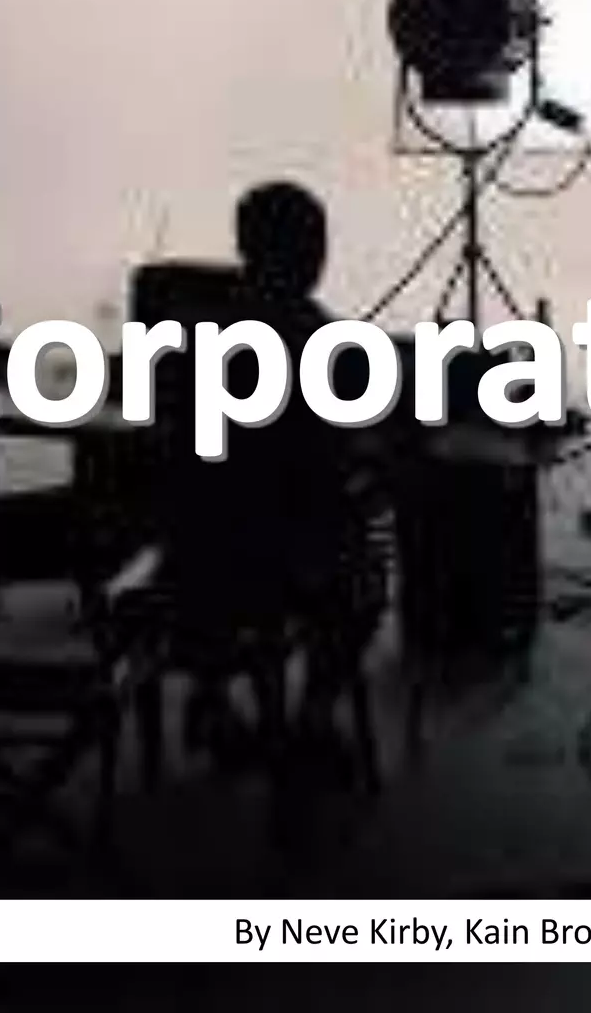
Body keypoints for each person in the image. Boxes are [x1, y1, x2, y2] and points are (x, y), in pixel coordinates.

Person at [160, 183, 382, 769]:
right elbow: (347, 457)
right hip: (293, 565)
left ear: (245, 248)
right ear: (314, 253)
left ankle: (212, 701)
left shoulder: (190, 340)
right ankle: (314, 717)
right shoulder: (331, 345)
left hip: (196, 563)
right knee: (363, 578)